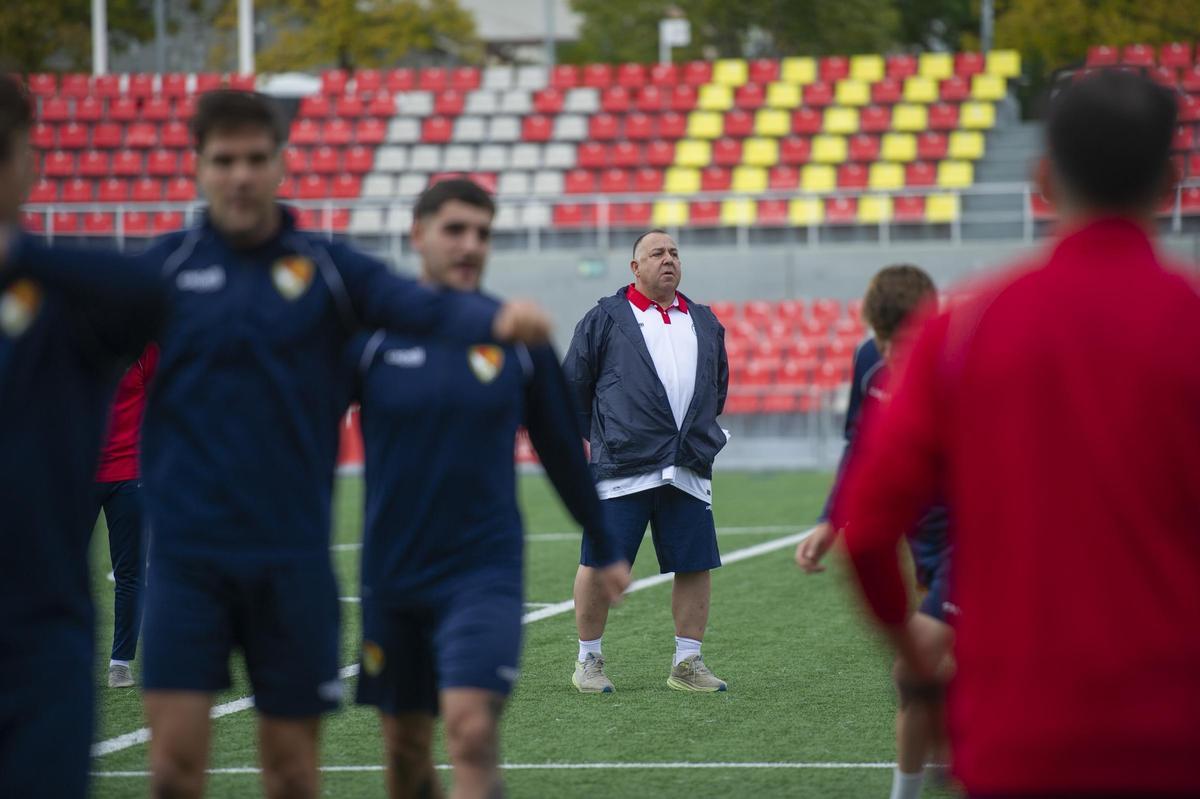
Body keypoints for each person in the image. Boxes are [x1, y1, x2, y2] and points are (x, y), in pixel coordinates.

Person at [14, 90, 555, 799]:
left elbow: (416, 302)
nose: (240, 174)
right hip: (187, 563)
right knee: (173, 769)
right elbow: (61, 284)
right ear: (199, 167)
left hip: (291, 564)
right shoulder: (161, 273)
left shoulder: (328, 271)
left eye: (255, 158)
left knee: (292, 773)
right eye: (224, 159)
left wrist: (496, 315)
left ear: (281, 163)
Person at [836, 69, 1200, 797]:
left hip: (1018, 741)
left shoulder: (961, 330)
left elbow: (868, 526)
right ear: (1170, 182)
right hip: (1175, 735)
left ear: (1042, 179)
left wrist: (913, 651)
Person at [350, 178, 631, 798]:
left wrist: (607, 543)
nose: (470, 244)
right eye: (454, 229)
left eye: (482, 233)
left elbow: (562, 450)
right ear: (417, 235)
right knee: (404, 753)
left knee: (472, 734)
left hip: (483, 570)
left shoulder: (517, 338)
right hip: (393, 574)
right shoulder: (371, 338)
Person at [0, 76, 155, 799]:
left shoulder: (79, 298)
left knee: (130, 570)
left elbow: (169, 306)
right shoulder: (73, 293)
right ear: (23, 162)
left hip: (122, 473)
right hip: (37, 636)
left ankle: (123, 656)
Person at [794, 265, 952, 799]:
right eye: (885, 345)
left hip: (979, 543)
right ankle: (946, 759)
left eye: (904, 345)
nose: (893, 360)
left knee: (917, 670)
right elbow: (859, 447)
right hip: (923, 539)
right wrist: (828, 519)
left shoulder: (969, 362)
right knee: (936, 675)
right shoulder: (869, 362)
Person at [564, 229, 730, 693]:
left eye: (675, 251)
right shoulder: (605, 318)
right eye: (656, 253)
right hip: (623, 465)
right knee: (601, 561)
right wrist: (606, 437)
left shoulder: (704, 320)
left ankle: (688, 663)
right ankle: (588, 660)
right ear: (635, 268)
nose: (668, 259)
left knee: (695, 563)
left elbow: (716, 387)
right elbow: (572, 386)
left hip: (687, 463)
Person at [93, 343, 158, 689]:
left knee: (130, 572)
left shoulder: (144, 347)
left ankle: (120, 663)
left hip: (130, 473)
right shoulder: (72, 338)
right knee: (58, 568)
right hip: (78, 472)